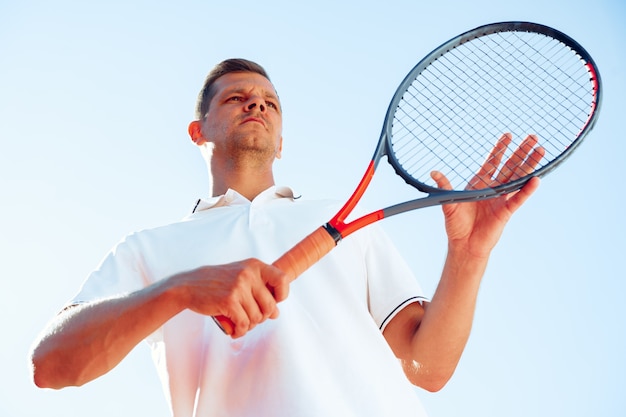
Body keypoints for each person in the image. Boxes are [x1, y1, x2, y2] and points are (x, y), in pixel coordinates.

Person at [29, 58, 541, 416]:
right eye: (236, 98)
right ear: (198, 130)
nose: (257, 105)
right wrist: (181, 289)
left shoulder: (340, 219)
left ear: (282, 140)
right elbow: (52, 364)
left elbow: (427, 366)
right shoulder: (148, 248)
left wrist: (468, 256)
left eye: (270, 103)